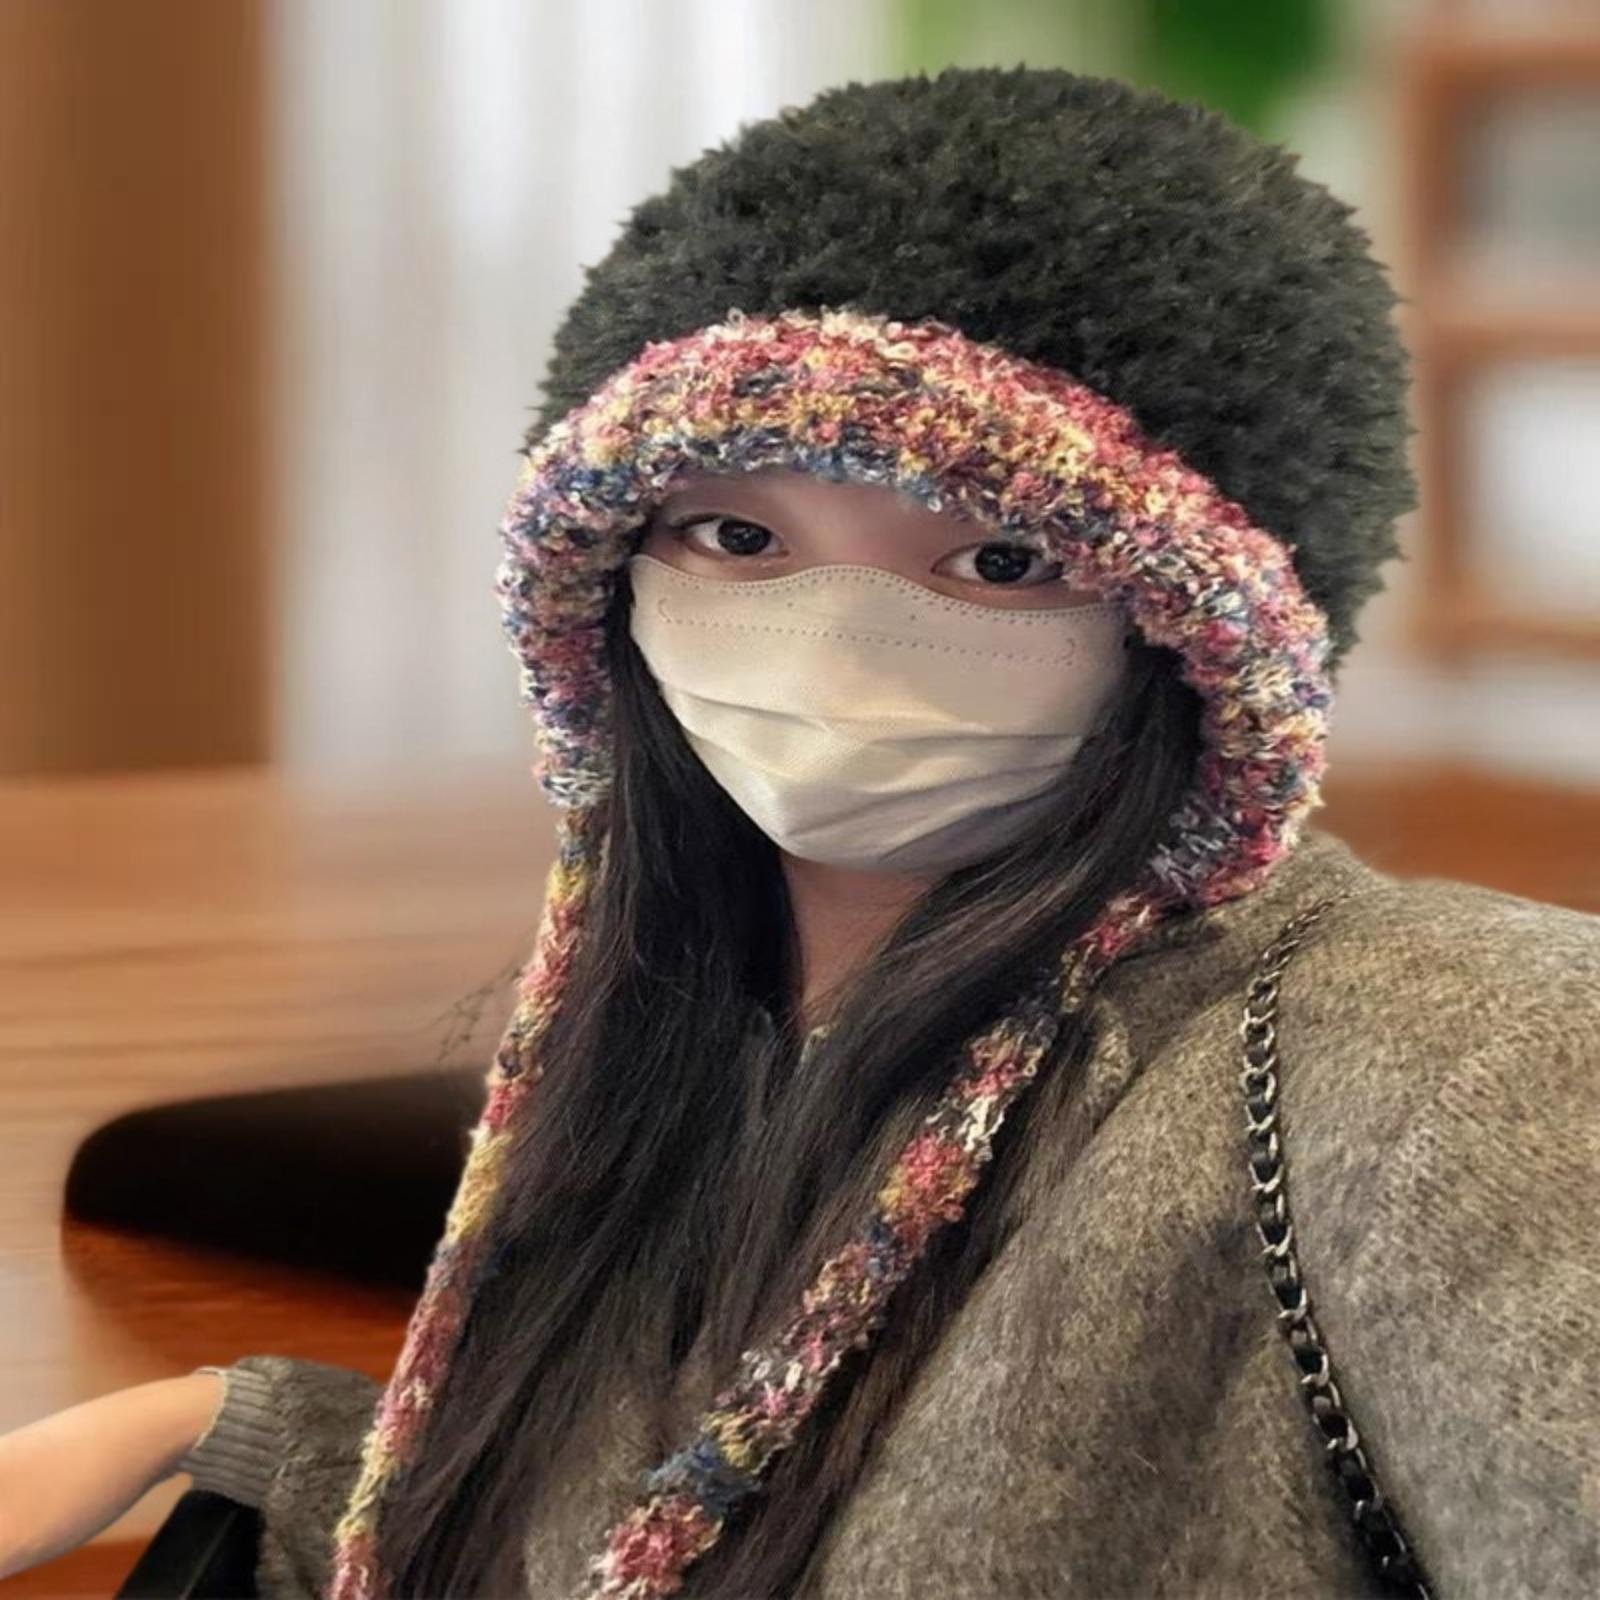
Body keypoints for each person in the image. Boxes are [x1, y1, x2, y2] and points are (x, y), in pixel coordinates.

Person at [2, 65, 1596, 1600]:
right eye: (736, 532)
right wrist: (219, 1428)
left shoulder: (1454, 1053)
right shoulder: (700, 1038)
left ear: (1210, 638)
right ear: (602, 580)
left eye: (1002, 561)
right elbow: (701, 1518)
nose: (835, 651)